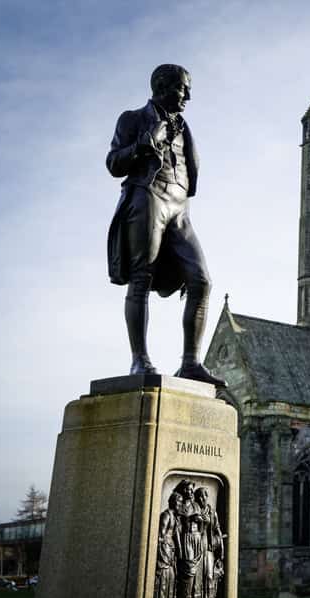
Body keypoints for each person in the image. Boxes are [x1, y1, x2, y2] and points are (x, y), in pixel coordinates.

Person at [105, 64, 225, 386]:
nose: (188, 95)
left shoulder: (185, 128)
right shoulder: (132, 119)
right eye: (182, 88)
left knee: (201, 281)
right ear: (162, 86)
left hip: (180, 207)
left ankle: (190, 363)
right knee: (140, 278)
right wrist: (144, 145)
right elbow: (114, 163)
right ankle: (139, 360)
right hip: (148, 196)